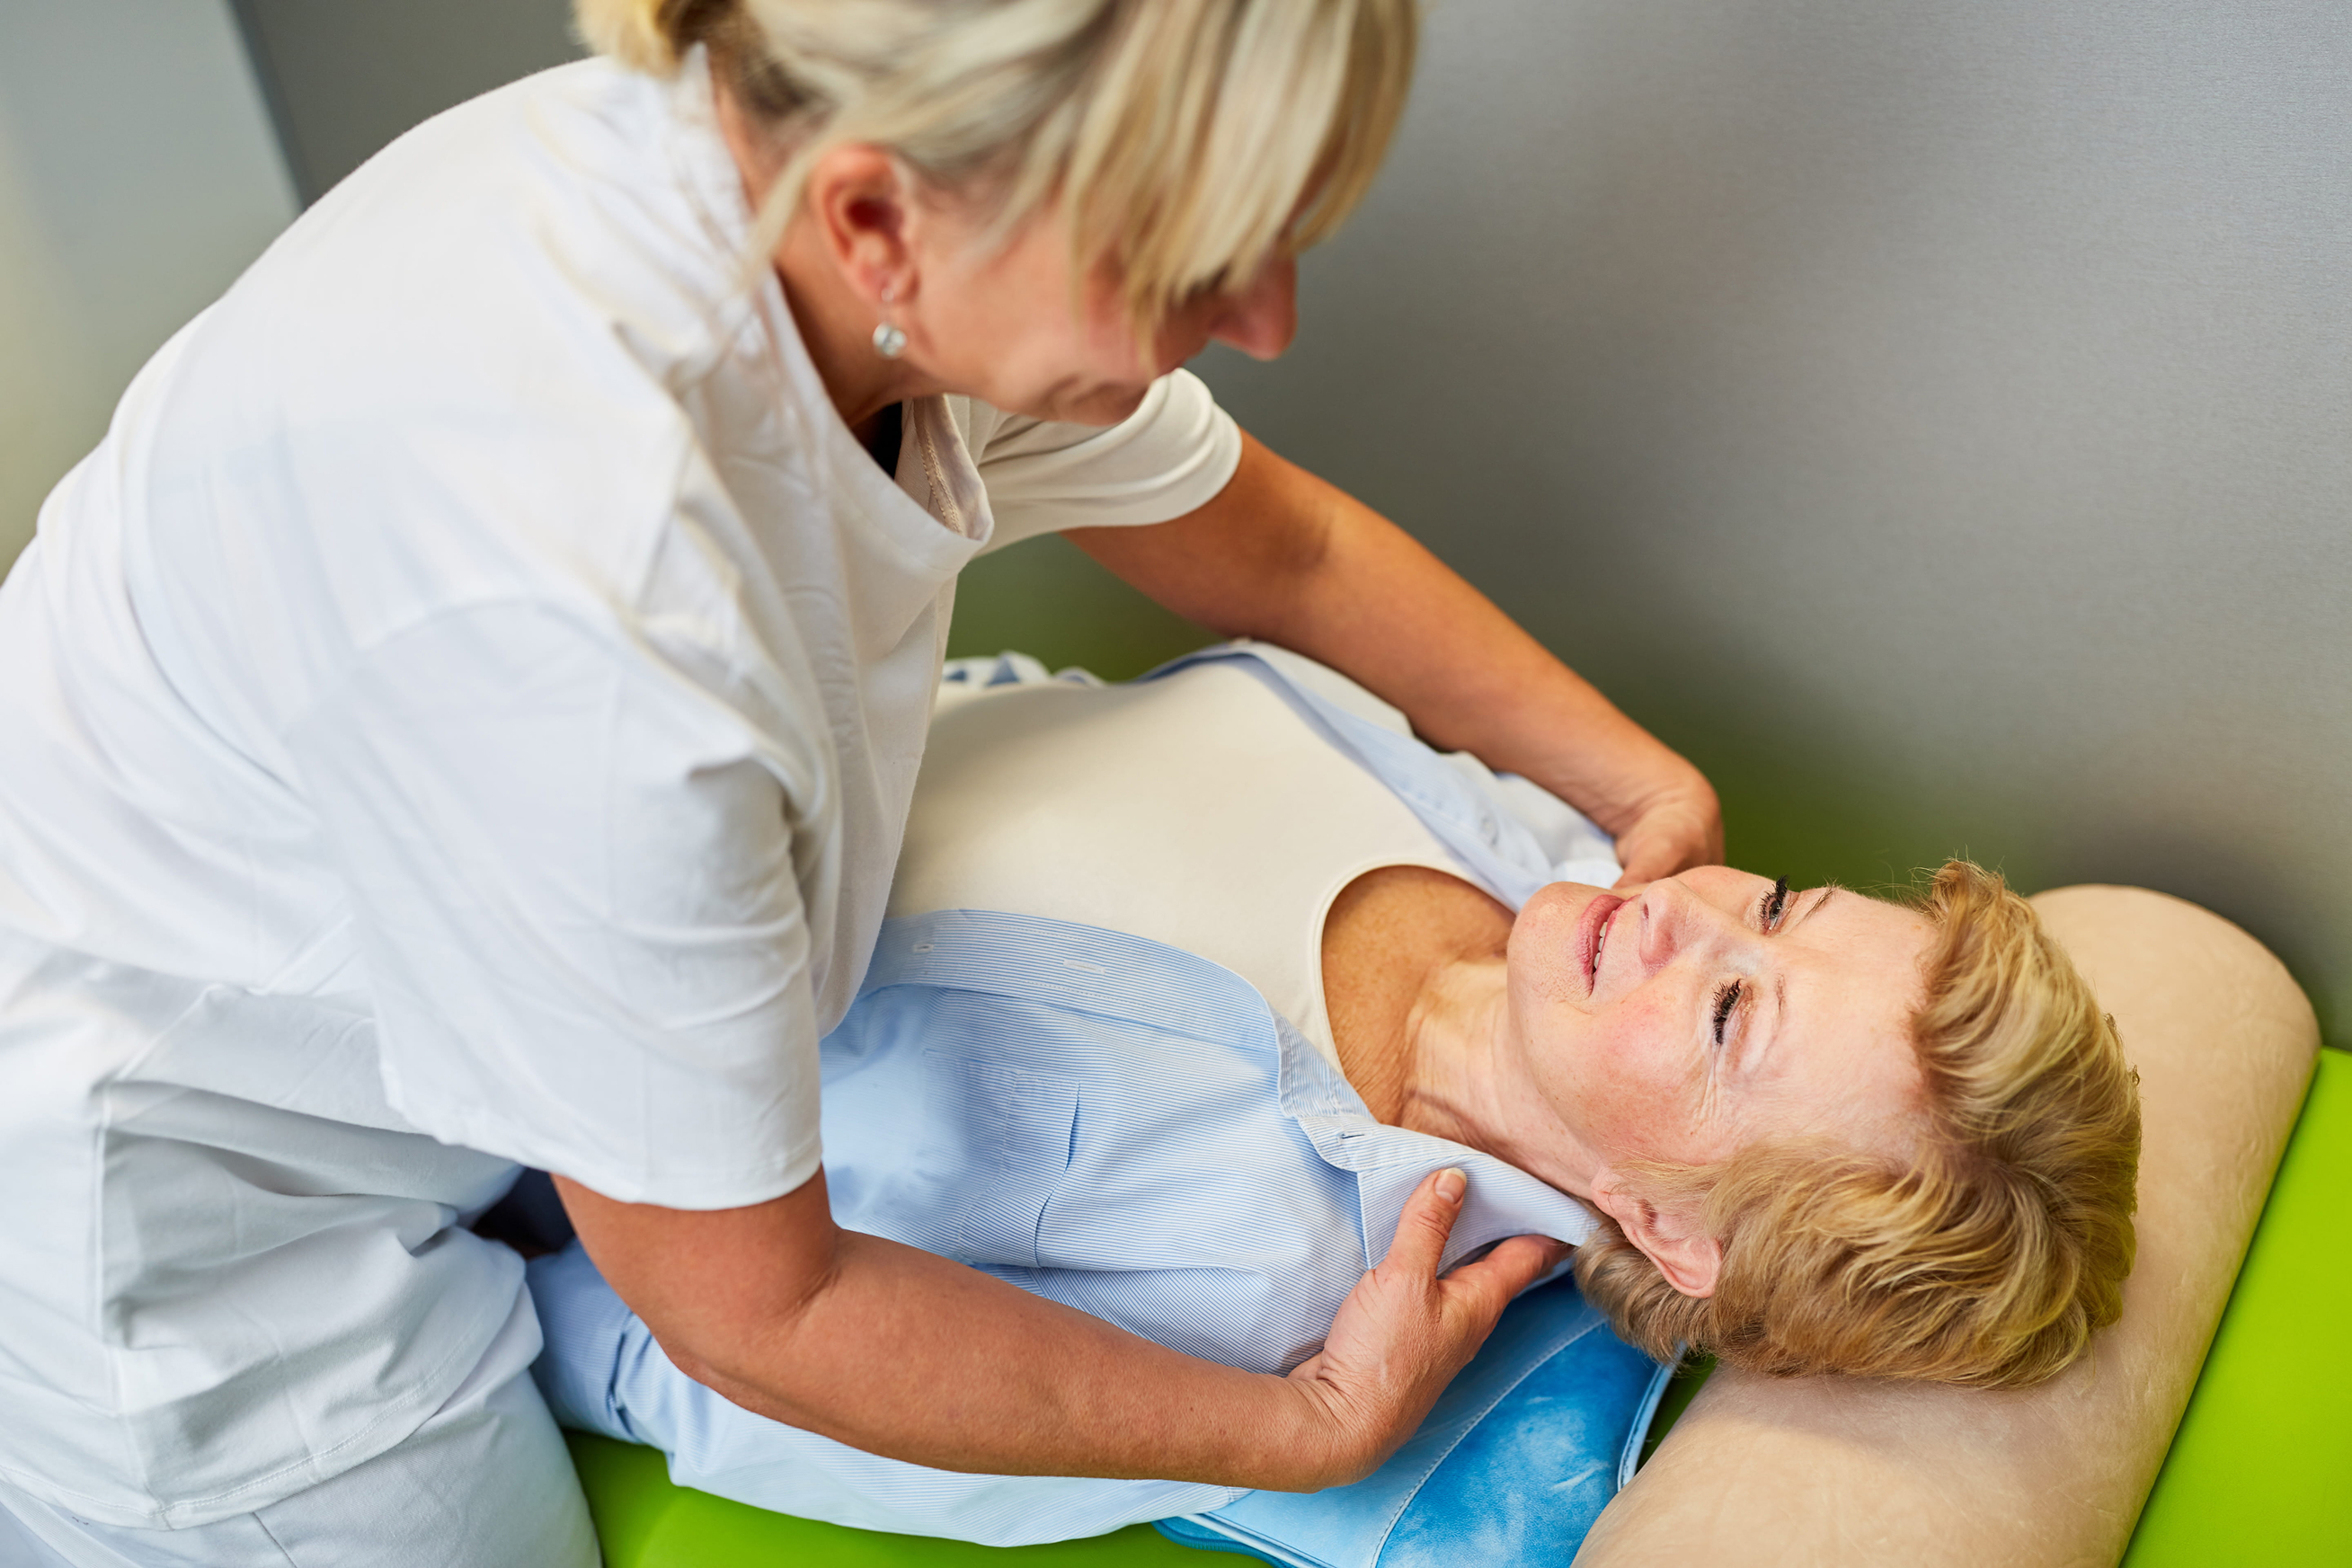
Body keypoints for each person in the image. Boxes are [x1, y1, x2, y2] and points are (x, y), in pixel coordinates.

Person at [0, 3, 1726, 1564]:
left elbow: (1281, 543)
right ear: (877, 218)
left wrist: (1636, 781)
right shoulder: (593, 622)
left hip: (421, 1024)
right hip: (196, 1214)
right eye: (1193, 261)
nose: (1260, 324)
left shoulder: (839, 209)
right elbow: (759, 1313)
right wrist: (1301, 1424)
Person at [525, 644, 2143, 1546]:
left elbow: (719, 1372)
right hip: (656, 685)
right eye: (1782, 903)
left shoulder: (1263, 1292)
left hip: (508, 1039)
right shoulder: (1532, 835)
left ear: (1674, 1232)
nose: (1692, 912)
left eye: (1729, 1015)